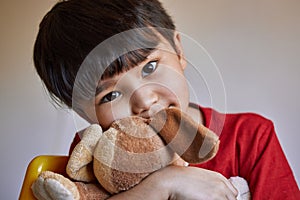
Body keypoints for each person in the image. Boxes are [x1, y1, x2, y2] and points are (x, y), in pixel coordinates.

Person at [33, 0, 299, 199]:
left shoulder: (250, 137)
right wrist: (163, 185)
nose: (146, 101)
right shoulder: (93, 154)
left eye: (149, 68)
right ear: (82, 112)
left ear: (179, 50)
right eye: (110, 95)